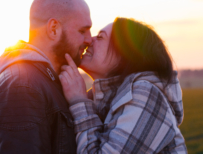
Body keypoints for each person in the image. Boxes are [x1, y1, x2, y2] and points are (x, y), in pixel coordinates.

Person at [0, 0, 92, 154]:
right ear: (54, 28)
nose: (89, 39)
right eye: (82, 31)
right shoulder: (22, 87)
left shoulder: (46, 81)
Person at [59, 18, 187, 153]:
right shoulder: (107, 99)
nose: (90, 40)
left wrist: (79, 101)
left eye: (101, 37)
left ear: (125, 53)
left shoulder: (147, 94)